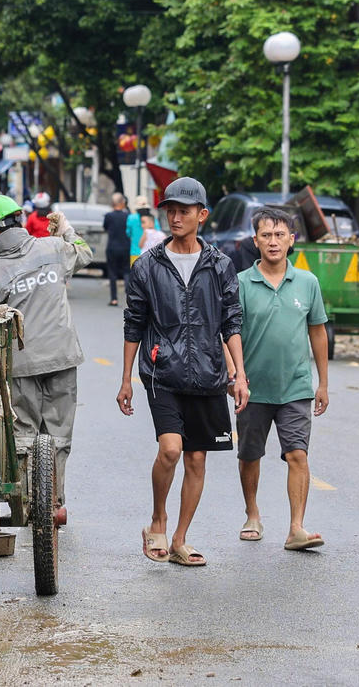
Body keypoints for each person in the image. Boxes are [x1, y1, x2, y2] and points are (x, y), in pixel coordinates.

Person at [116, 176, 249, 567]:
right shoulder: (148, 266)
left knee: (197, 460)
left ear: (201, 215)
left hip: (208, 373)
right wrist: (126, 379)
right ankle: (158, 518)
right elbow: (133, 323)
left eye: (183, 211)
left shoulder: (220, 265)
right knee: (171, 449)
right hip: (162, 372)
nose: (175, 217)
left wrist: (239, 374)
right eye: (170, 210)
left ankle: (179, 539)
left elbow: (232, 323)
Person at [0, 194, 93, 521]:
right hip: (62, 358)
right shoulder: (53, 248)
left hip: (22, 366)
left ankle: (29, 505)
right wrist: (66, 231)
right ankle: (55, 505)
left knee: (24, 435)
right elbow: (85, 252)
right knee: (58, 435)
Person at [230, 206, 329, 551]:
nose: (273, 242)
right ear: (255, 241)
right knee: (250, 454)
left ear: (292, 240)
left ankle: (296, 528)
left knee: (298, 454)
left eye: (279, 235)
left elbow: (317, 332)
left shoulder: (308, 282)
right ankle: (252, 513)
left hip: (296, 386)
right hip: (252, 388)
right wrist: (235, 375)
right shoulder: (241, 283)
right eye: (266, 235)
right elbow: (230, 334)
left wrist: (323, 383)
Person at [103, 192, 131, 306]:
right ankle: (129, 297)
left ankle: (114, 299)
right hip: (125, 246)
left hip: (112, 247)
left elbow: (105, 227)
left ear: (113, 203)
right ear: (122, 203)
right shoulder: (128, 216)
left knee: (112, 273)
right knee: (126, 271)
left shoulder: (108, 216)